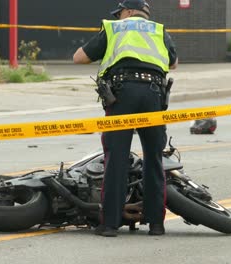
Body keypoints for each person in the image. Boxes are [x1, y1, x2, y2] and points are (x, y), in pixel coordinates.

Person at [73, 0, 178, 237]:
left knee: (116, 158)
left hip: (121, 95)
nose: (119, 16)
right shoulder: (159, 30)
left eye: (120, 12)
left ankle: (109, 225)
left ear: (128, 11)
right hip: (153, 95)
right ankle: (156, 224)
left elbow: (78, 58)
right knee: (153, 159)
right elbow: (174, 63)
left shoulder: (114, 28)